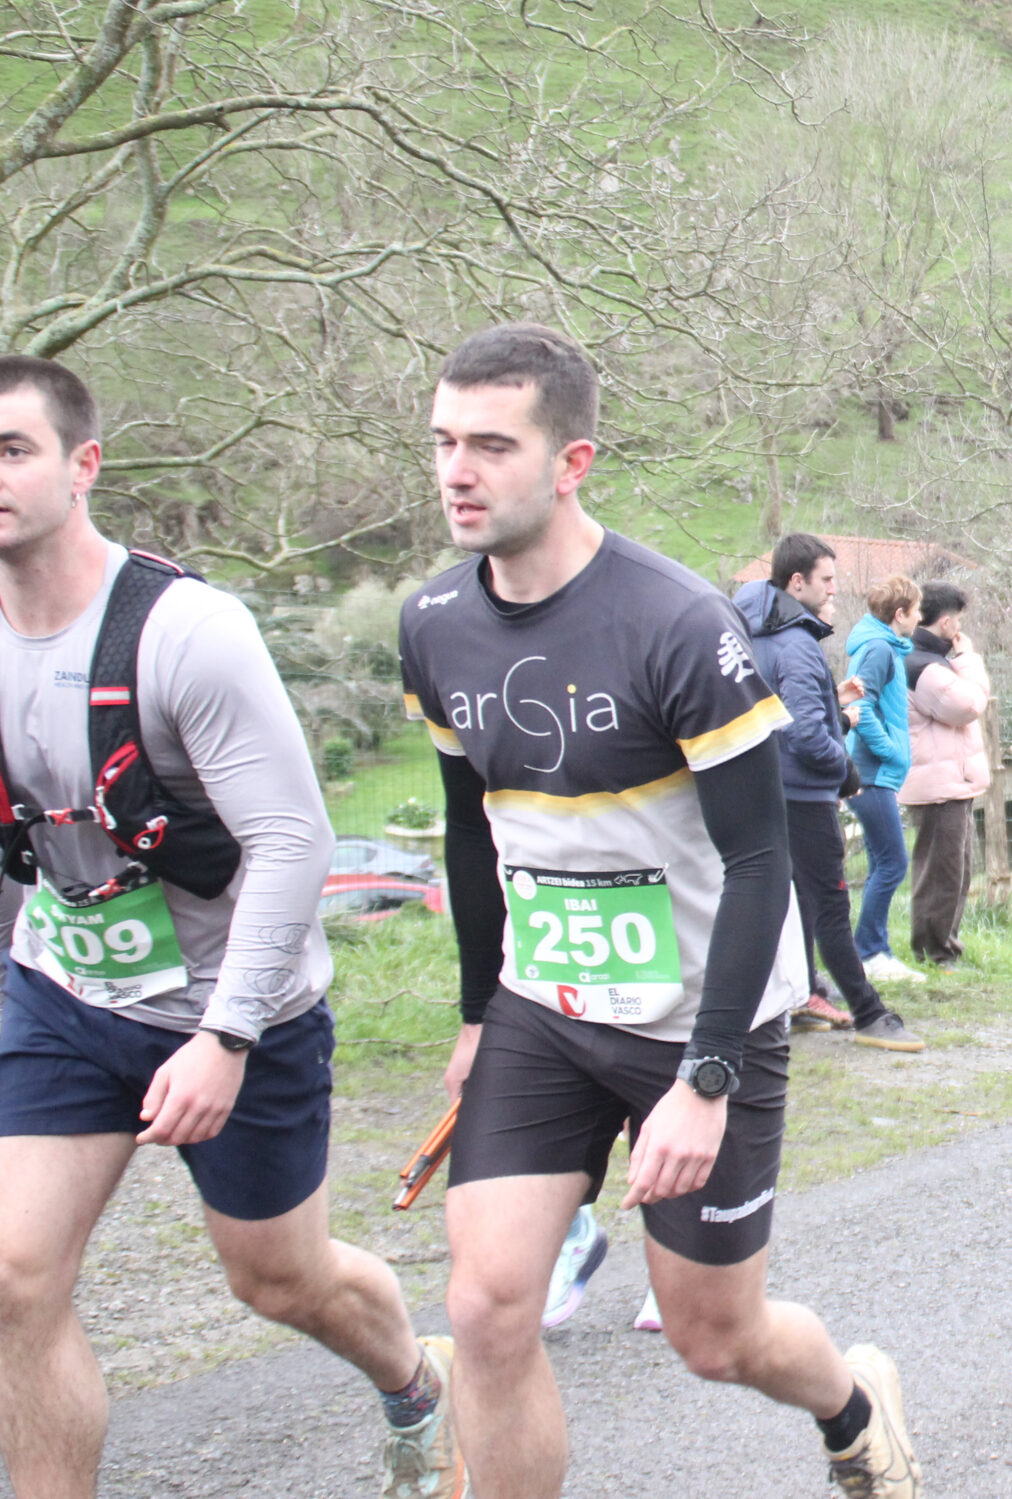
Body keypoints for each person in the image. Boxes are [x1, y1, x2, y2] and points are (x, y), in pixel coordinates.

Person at [400, 325, 917, 1497]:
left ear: (571, 461)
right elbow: (471, 832)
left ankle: (851, 1402)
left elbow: (762, 860)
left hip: (698, 1014)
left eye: (491, 446)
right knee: (484, 1309)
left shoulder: (676, 622)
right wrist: (478, 1014)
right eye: (442, 442)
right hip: (543, 1010)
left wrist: (708, 1073)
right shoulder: (433, 622)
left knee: (713, 1337)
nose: (456, 472)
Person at [0, 357, 462, 1499]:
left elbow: (294, 841)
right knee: (12, 1277)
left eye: (11, 450)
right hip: (66, 991)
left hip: (238, 1008)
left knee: (276, 1278)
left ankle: (415, 1384)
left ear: (83, 465)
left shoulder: (185, 631)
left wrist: (225, 1035)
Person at [732, 535, 919, 1051]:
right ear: (798, 582)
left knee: (792, 900)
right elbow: (806, 735)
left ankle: (804, 994)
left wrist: (833, 710)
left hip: (763, 789)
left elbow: (777, 717)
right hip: (804, 796)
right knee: (831, 905)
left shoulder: (752, 635)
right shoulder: (795, 645)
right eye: (827, 580)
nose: (835, 589)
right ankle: (870, 1014)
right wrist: (846, 771)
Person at [900, 581, 991, 970]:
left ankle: (944, 945)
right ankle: (933, 951)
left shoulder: (928, 661)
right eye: (959, 623)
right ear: (948, 623)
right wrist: (967, 658)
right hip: (936, 787)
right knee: (941, 873)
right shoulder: (923, 666)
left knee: (955, 871)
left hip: (949, 782)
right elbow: (968, 705)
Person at [845, 574, 925, 987]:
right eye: (916, 611)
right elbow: (860, 706)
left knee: (882, 862)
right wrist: (891, 751)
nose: (920, 618)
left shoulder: (883, 646)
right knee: (893, 862)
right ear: (900, 614)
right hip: (872, 772)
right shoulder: (879, 649)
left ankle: (873, 950)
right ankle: (870, 952)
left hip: (875, 773)